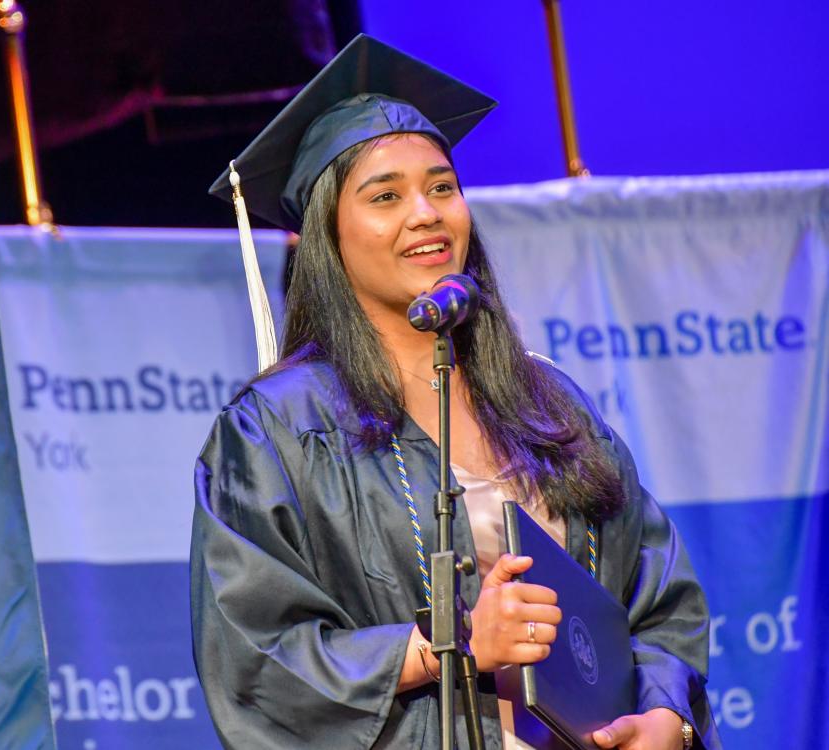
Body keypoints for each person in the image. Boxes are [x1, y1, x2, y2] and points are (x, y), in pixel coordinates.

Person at [192, 34, 719, 750]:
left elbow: (660, 602)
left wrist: (666, 716)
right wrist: (450, 645)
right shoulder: (276, 430)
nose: (427, 214)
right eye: (386, 196)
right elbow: (254, 661)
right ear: (328, 236)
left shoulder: (543, 402)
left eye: (443, 187)